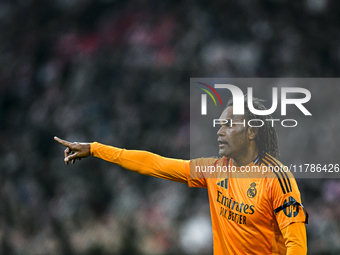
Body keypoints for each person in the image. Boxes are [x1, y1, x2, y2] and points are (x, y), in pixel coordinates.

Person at [54, 97, 308, 255]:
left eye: (229, 125)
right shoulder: (214, 169)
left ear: (252, 132)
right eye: (219, 125)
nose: (219, 132)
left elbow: (296, 243)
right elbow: (156, 164)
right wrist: (97, 149)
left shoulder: (277, 179)